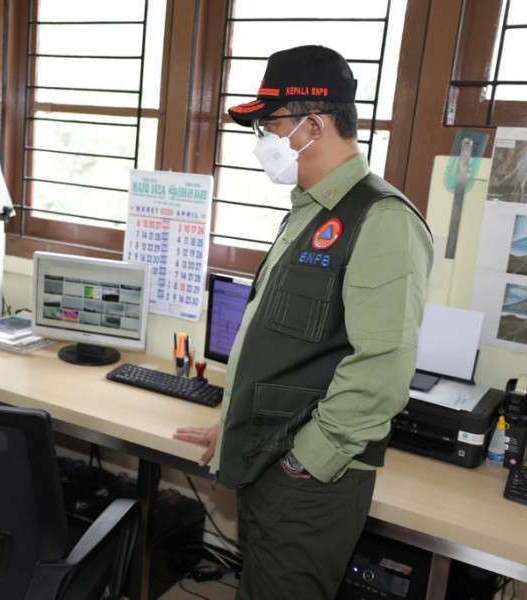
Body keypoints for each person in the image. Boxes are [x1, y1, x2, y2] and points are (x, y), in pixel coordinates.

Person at [174, 46, 433, 599]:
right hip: (270, 459)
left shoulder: (381, 219)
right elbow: (291, 346)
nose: (262, 140)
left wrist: (304, 463)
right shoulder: (312, 209)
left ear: (314, 124)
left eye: (269, 125)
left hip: (311, 482)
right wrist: (236, 422)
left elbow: (381, 369)